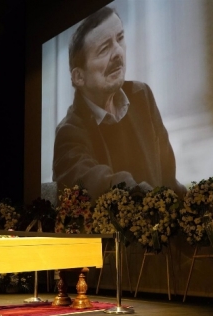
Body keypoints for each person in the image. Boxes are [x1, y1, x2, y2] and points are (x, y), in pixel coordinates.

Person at [52, 6, 186, 201]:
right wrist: (150, 201)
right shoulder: (69, 134)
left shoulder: (142, 96)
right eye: (104, 49)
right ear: (79, 77)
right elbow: (96, 185)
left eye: (120, 38)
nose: (118, 52)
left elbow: (168, 180)